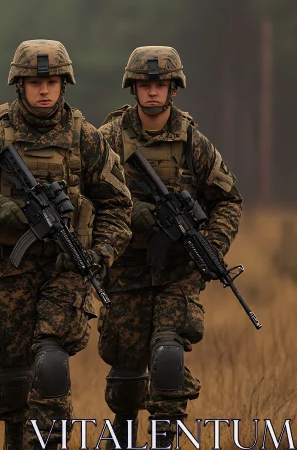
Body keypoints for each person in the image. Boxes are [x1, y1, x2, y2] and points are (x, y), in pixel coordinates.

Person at [0, 39, 133, 449]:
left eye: (51, 82)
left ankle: (45, 443)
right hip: (6, 269)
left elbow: (118, 205)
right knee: (12, 372)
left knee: (51, 362)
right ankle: (15, 436)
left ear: (64, 84)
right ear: (19, 85)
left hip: (66, 269)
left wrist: (101, 252)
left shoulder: (87, 139)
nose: (43, 90)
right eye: (34, 83)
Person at [97, 46, 243, 448]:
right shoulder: (108, 139)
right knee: (126, 375)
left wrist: (211, 246)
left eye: (160, 84)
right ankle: (124, 435)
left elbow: (229, 200)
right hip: (125, 269)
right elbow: (84, 195)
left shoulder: (194, 142)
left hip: (179, 270)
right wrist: (132, 214)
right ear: (133, 88)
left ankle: (165, 440)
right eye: (145, 84)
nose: (152, 91)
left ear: (173, 88)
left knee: (167, 356)